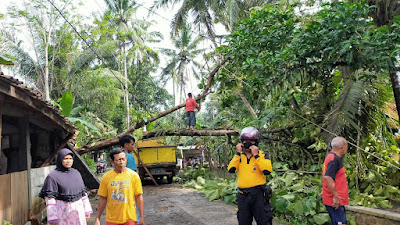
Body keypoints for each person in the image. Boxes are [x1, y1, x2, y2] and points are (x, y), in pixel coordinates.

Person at [228, 127, 273, 225]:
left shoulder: (263, 155)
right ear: (241, 142)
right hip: (243, 196)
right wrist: (237, 153)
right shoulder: (239, 157)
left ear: (256, 142)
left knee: (264, 221)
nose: (248, 143)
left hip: (258, 195)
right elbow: (231, 169)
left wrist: (256, 156)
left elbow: (267, 170)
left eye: (251, 141)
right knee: (243, 222)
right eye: (245, 141)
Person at [39, 148, 92, 224]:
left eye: (70, 158)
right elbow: (50, 199)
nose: (68, 161)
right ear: (60, 159)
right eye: (65, 158)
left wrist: (87, 211)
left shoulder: (76, 173)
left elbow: (83, 193)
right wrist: (53, 218)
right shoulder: (53, 176)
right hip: (62, 213)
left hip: (78, 212)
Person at [94, 148, 145, 225]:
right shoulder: (106, 177)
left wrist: (141, 217)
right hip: (112, 220)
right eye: (118, 160)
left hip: (130, 219)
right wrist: (97, 218)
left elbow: (138, 196)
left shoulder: (134, 176)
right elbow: (103, 198)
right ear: (112, 162)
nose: (121, 162)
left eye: (123, 159)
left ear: (126, 160)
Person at [322, 137, 349, 225]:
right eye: (346, 146)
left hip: (334, 199)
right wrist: (336, 196)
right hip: (334, 201)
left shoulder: (331, 157)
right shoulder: (334, 159)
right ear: (342, 147)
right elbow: (328, 177)